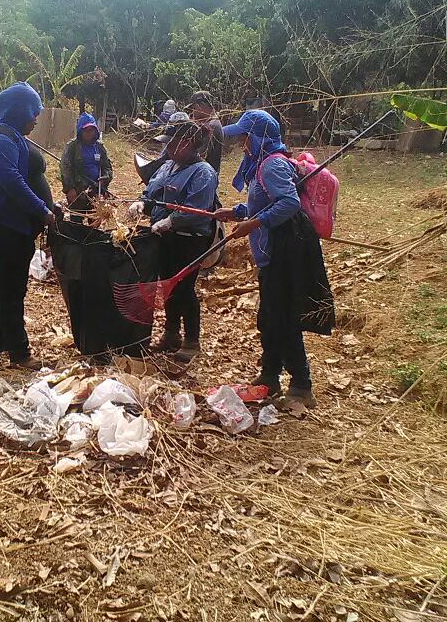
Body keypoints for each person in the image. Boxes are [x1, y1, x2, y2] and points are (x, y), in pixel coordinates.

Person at [214, 109, 331, 412]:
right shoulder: (262, 165)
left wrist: (253, 224)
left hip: (286, 249)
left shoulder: (272, 165)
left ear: (259, 138)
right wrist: (238, 212)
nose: (243, 144)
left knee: (282, 316)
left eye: (245, 137)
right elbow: (263, 201)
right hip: (272, 249)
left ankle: (302, 384)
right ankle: (270, 375)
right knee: (270, 316)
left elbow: (289, 203)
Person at [0, 81, 55, 370]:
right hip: (2, 225)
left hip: (11, 224)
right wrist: (42, 210)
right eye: (32, 112)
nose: (35, 119)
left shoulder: (11, 135)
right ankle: (19, 353)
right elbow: (12, 183)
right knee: (12, 289)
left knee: (0, 282)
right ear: (18, 110)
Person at [131, 121, 218, 359]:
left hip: (189, 240)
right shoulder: (168, 166)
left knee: (184, 288)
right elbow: (152, 191)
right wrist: (142, 203)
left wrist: (171, 221)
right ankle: (171, 333)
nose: (167, 149)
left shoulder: (204, 173)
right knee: (167, 285)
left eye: (171, 144)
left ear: (187, 144)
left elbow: (195, 209)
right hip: (163, 237)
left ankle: (192, 341)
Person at [59, 112, 113, 213]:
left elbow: (107, 167)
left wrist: (105, 179)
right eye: (86, 130)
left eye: (91, 130)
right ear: (80, 131)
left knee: (94, 221)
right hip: (78, 191)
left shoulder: (99, 147)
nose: (89, 132)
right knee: (76, 221)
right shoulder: (72, 147)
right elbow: (65, 168)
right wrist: (69, 188)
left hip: (96, 192)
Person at [188, 90, 224, 176]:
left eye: (194, 108)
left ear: (202, 106)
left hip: (204, 177)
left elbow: (198, 155)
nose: (192, 112)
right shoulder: (210, 123)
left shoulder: (211, 126)